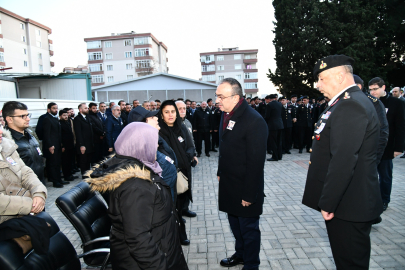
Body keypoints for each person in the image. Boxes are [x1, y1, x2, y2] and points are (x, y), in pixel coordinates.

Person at [302, 55, 383, 270]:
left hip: (348, 204)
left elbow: (343, 160)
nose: (317, 85)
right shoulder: (344, 102)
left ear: (339, 76)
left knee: (350, 264)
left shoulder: (350, 105)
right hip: (348, 201)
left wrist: (328, 203)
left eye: (321, 78)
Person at [85, 122, 188, 270]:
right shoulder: (136, 186)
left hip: (163, 247)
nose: (156, 147)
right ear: (140, 146)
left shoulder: (139, 169)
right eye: (152, 143)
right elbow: (138, 238)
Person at [216, 78, 267, 270]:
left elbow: (256, 162)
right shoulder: (227, 113)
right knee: (235, 225)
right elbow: (226, 147)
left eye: (221, 96)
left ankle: (252, 264)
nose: (218, 100)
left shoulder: (254, 121)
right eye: (217, 96)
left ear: (236, 97)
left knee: (249, 230)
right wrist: (221, 171)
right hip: (230, 183)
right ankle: (241, 254)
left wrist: (249, 194)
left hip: (245, 187)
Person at [158, 100, 196, 246]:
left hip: (183, 173)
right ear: (161, 114)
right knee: (171, 208)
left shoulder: (182, 127)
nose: (170, 115)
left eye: (173, 111)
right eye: (166, 112)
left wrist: (187, 157)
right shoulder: (159, 131)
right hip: (168, 176)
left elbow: (191, 146)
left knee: (179, 205)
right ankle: (174, 237)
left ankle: (181, 234)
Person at [369, 77, 405, 211]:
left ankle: (384, 200)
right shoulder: (369, 103)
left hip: (387, 147)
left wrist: (399, 148)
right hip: (370, 146)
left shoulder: (396, 103)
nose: (372, 92)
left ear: (383, 88)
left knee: (385, 176)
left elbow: (401, 127)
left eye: (375, 89)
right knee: (370, 175)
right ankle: (372, 198)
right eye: (370, 89)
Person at [128, 106, 178, 200]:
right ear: (141, 124)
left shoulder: (155, 139)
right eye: (151, 117)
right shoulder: (143, 153)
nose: (156, 118)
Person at [0, 123, 47, 224]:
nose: (0, 131)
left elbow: (26, 172)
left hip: (25, 215)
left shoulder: (7, 146)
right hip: (7, 223)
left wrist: (39, 193)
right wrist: (30, 204)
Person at [2, 102, 45, 185]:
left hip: (38, 186)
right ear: (9, 119)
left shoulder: (30, 136)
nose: (28, 119)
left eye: (28, 115)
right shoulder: (7, 143)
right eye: (22, 116)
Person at [42, 102, 68, 187]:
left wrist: (61, 145)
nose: (56, 110)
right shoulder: (47, 119)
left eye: (56, 108)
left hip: (58, 145)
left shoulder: (55, 119)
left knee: (57, 163)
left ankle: (59, 179)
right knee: (53, 164)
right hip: (52, 146)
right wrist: (50, 145)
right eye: (54, 108)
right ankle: (55, 181)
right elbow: (46, 134)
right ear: (48, 109)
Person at [73, 103, 95, 175]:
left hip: (89, 144)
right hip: (83, 145)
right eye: (85, 108)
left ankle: (88, 175)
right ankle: (84, 177)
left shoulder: (88, 117)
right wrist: (81, 145)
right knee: (83, 162)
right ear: (80, 110)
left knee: (88, 162)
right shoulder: (77, 119)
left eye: (87, 108)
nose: (87, 109)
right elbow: (78, 133)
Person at [59, 110, 77, 182]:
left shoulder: (68, 122)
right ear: (60, 116)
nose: (66, 116)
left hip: (70, 145)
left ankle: (70, 174)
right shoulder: (60, 123)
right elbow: (59, 136)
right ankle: (66, 176)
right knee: (65, 161)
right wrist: (62, 146)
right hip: (65, 146)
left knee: (70, 160)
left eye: (66, 115)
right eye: (64, 115)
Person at [265, 94, 284, 161]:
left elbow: (267, 116)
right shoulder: (280, 104)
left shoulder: (269, 105)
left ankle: (275, 156)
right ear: (275, 98)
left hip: (273, 125)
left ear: (270, 99)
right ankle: (279, 155)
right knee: (279, 141)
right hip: (280, 124)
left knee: (273, 141)